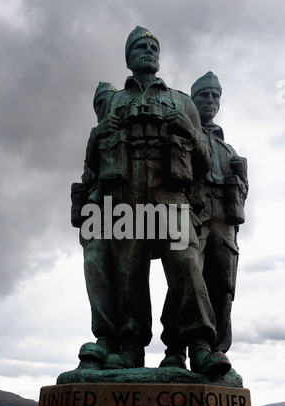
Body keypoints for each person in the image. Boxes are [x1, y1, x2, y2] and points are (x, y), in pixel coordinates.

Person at [84, 27, 231, 375]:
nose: (148, 49)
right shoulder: (115, 101)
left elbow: (205, 164)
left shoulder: (181, 101)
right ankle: (131, 347)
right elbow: (94, 162)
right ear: (128, 57)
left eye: (153, 45)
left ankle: (200, 346)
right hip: (126, 196)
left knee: (185, 265)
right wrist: (94, 139)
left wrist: (193, 135)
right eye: (140, 46)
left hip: (171, 198)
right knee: (128, 272)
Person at [190, 71, 248, 353]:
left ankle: (217, 350)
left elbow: (242, 196)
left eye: (216, 96)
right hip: (192, 213)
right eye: (204, 95)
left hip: (224, 219)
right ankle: (179, 349)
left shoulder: (228, 149)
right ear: (193, 100)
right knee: (188, 277)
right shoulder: (184, 135)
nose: (211, 101)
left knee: (224, 285)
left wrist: (241, 178)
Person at [71, 82, 119, 369]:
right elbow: (89, 174)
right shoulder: (96, 138)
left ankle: (174, 346)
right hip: (99, 216)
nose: (105, 107)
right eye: (100, 104)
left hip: (139, 211)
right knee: (96, 264)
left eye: (109, 101)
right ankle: (105, 338)